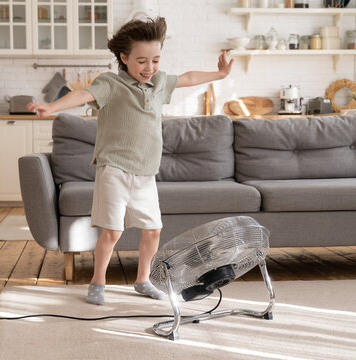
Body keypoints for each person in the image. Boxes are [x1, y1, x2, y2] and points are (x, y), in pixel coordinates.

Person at [26, 17, 234, 305]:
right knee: (112, 231)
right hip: (114, 170)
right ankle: (98, 281)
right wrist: (51, 106)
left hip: (146, 174)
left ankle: (142, 280)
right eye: (141, 61)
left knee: (153, 230)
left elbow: (187, 78)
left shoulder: (159, 83)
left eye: (155, 60)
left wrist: (219, 75)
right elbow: (83, 94)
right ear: (124, 58)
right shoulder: (110, 83)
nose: (149, 68)